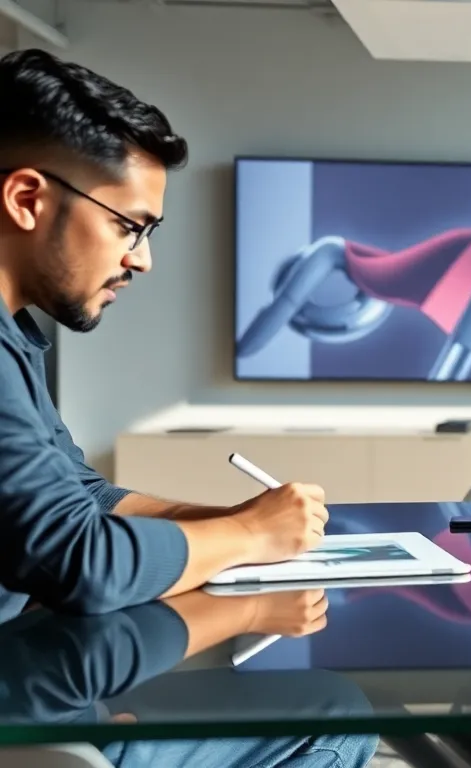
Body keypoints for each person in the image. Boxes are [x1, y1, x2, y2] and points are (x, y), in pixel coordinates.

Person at [0, 48, 328, 621]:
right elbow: (80, 560)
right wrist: (249, 534)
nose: (142, 260)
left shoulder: (16, 334)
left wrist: (230, 522)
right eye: (128, 226)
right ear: (27, 200)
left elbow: (85, 498)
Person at [0, 588, 378, 767]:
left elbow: (80, 502)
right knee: (341, 716)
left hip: (53, 685)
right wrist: (246, 610)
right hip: (44, 718)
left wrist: (237, 531)